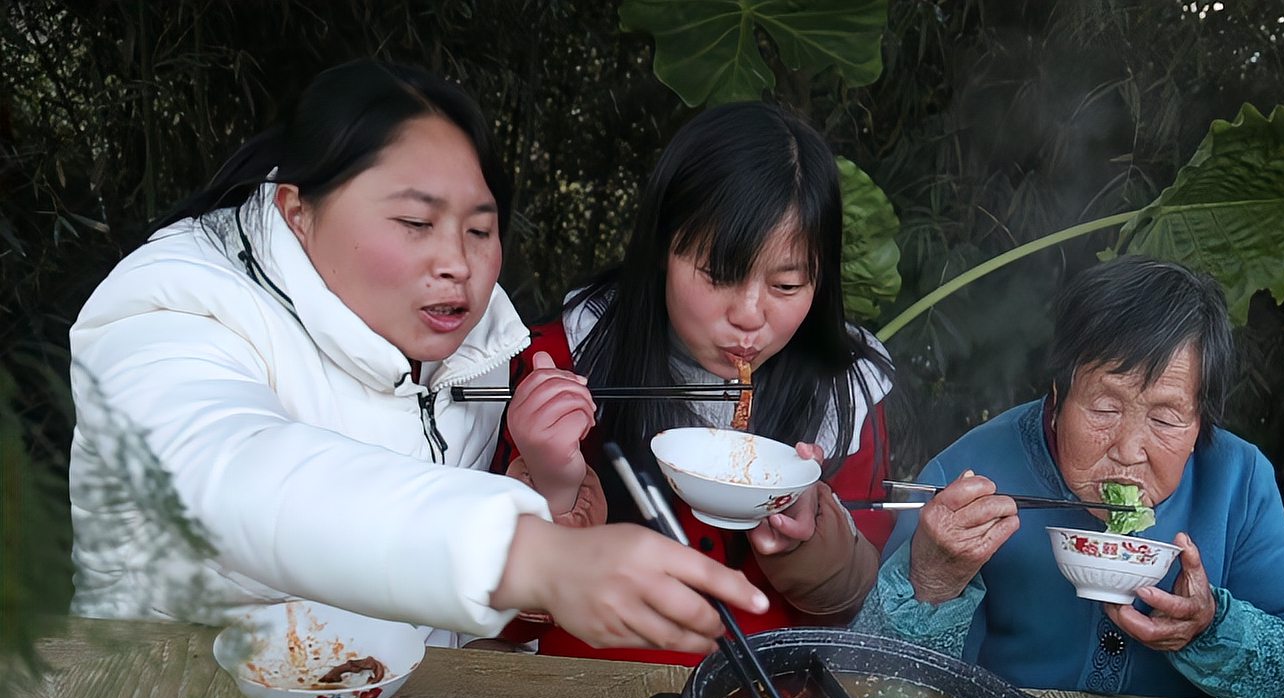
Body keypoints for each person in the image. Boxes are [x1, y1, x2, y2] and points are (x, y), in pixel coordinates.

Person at [68, 60, 766, 652]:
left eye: (480, 229)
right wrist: (530, 555)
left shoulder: (479, 343)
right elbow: (227, 477)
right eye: (415, 223)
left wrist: (548, 491)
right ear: (295, 209)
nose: (457, 264)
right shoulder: (171, 308)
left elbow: (449, 605)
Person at [852, 257, 1284, 698]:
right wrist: (933, 582)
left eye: (1167, 418)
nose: (1129, 448)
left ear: (1200, 421)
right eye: (1105, 409)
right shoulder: (968, 480)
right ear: (1059, 394)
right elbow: (873, 685)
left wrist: (1211, 630)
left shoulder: (1238, 481)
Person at [492, 101, 893, 664]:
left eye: (786, 285)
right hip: (585, 697)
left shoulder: (844, 392)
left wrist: (810, 536)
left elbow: (854, 604)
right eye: (721, 275)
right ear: (663, 246)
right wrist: (553, 488)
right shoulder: (560, 362)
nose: (751, 316)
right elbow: (501, 618)